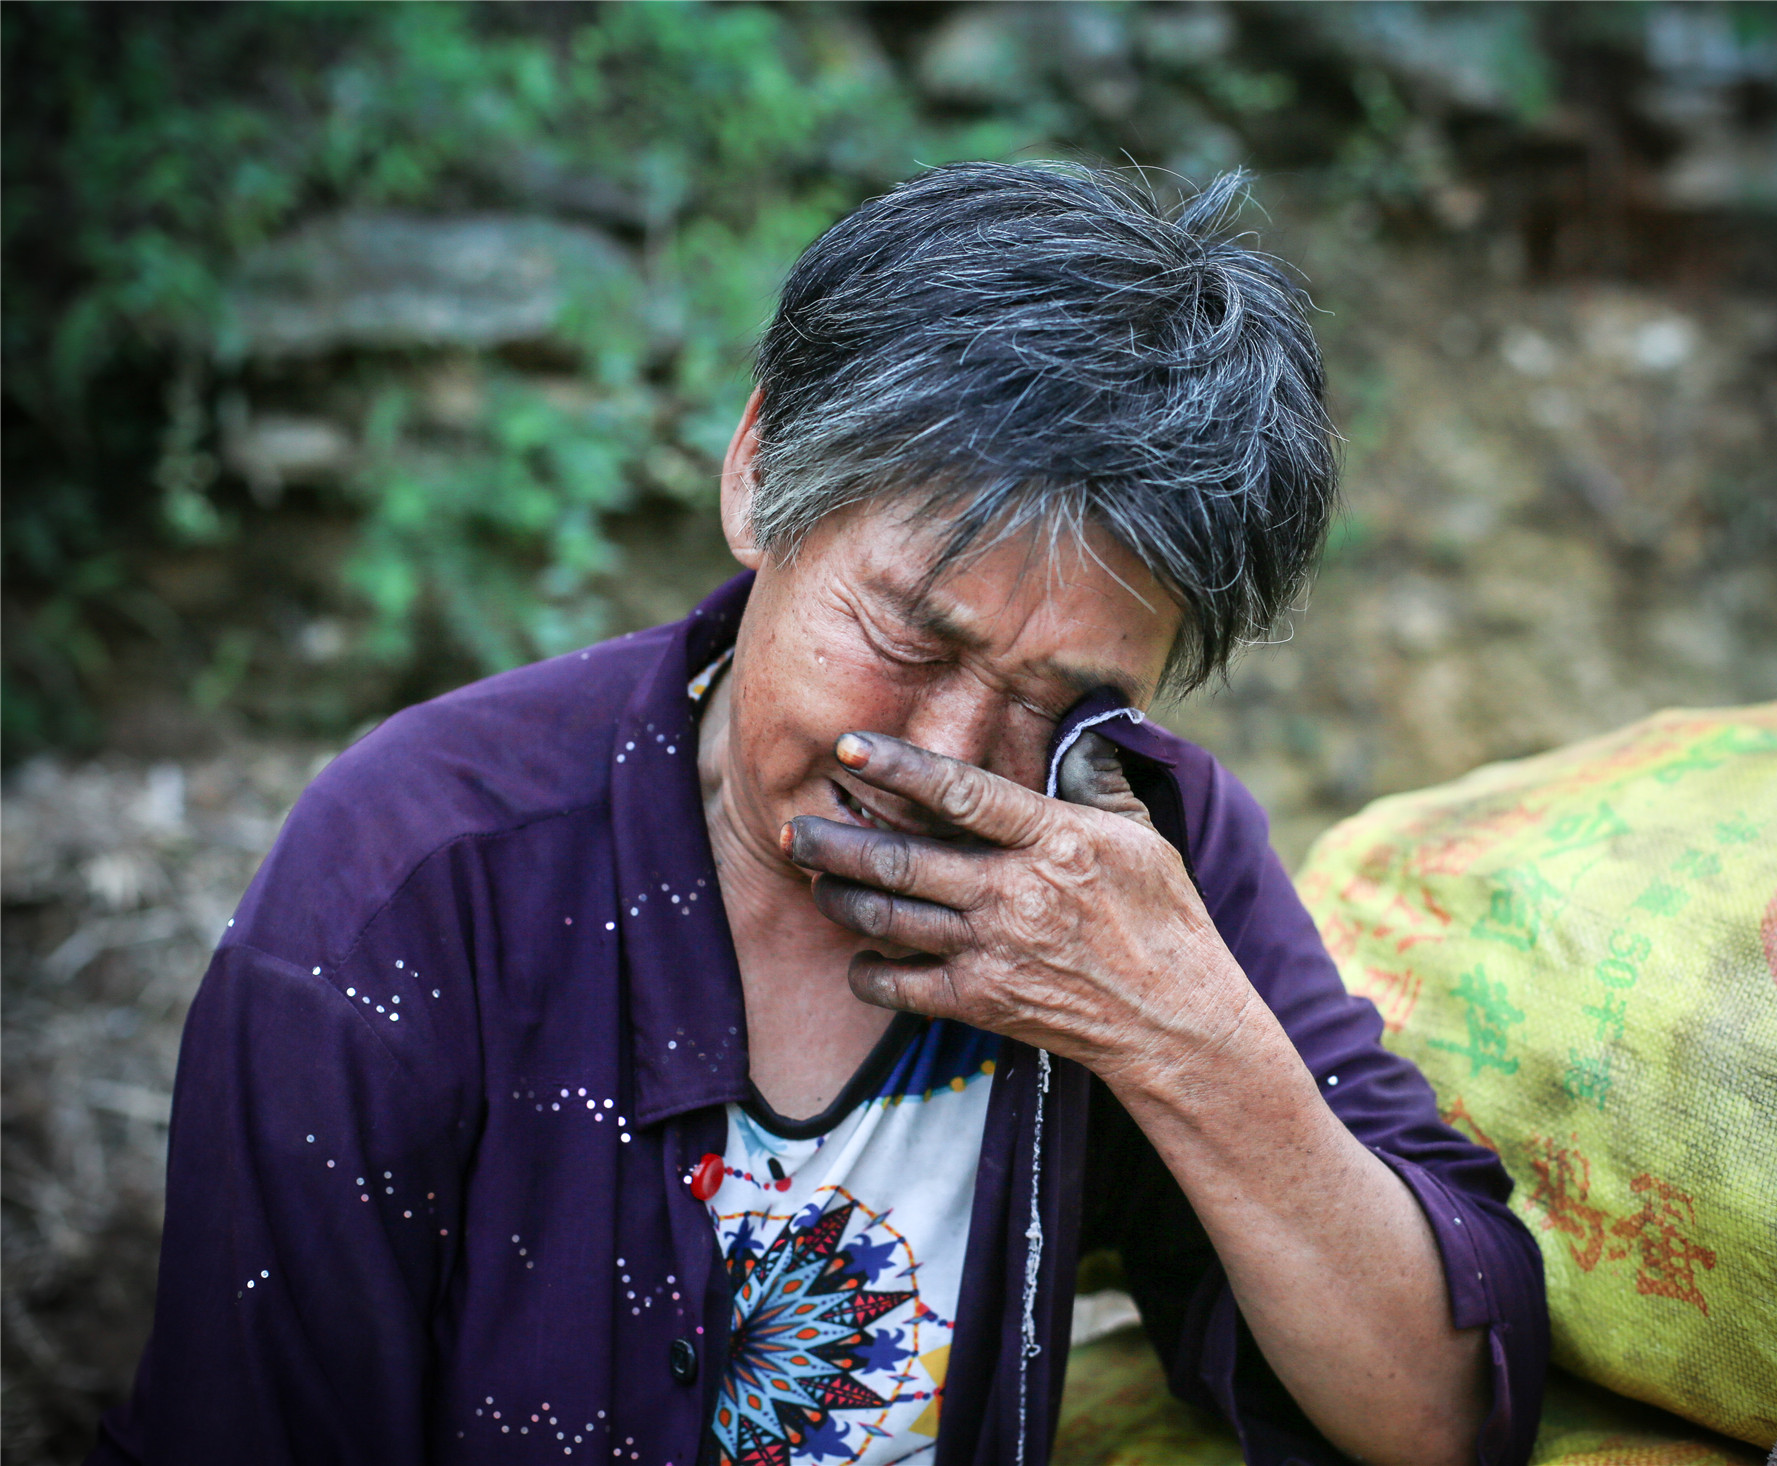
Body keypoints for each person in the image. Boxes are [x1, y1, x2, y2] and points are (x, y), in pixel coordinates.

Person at [96, 162, 1546, 1466]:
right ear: (757, 475)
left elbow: (1431, 1410)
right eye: (912, 637)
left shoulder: (1129, 857)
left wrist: (1179, 1029)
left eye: (1067, 697)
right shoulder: (408, 886)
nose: (950, 756)